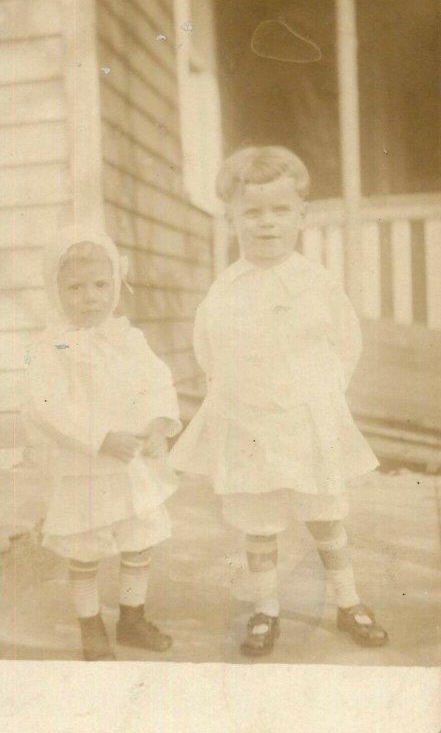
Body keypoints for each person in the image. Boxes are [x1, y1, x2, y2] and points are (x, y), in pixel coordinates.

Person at [170, 146, 388, 657]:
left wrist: (322, 394)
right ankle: (265, 608)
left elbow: (345, 342)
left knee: (326, 513)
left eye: (279, 210)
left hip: (308, 417)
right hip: (250, 422)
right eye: (252, 212)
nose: (266, 223)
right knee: (258, 519)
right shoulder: (225, 291)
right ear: (231, 220)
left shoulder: (316, 283)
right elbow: (209, 350)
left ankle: (347, 600)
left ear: (301, 215)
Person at [23, 225, 181, 661]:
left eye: (99, 284)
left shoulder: (129, 339)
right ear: (55, 291)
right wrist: (99, 437)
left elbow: (156, 383)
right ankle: (90, 625)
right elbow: (46, 406)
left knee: (138, 538)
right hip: (85, 467)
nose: (90, 296)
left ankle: (132, 618)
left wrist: (156, 424)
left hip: (130, 465)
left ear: (116, 284)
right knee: (85, 546)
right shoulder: (49, 347)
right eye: (75, 287)